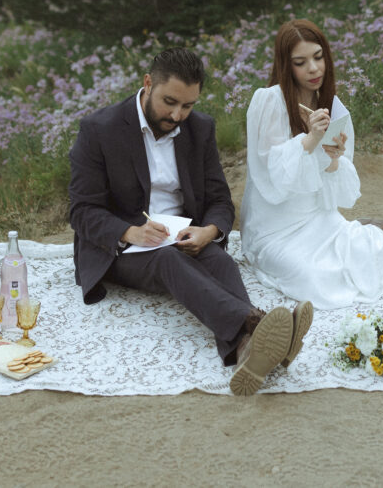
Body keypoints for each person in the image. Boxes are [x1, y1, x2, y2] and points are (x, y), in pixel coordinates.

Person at [68, 47, 313, 395]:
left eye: (188, 105)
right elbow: (81, 211)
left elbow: (219, 200)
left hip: (180, 236)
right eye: (170, 102)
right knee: (169, 260)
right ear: (148, 83)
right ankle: (256, 324)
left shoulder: (200, 129)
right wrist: (130, 231)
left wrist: (209, 230)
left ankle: (247, 349)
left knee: (220, 260)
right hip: (120, 248)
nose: (178, 114)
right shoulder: (99, 129)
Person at [240, 19, 383, 311]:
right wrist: (310, 139)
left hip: (316, 215)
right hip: (274, 226)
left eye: (318, 57)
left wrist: (333, 159)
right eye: (301, 62)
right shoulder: (269, 101)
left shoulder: (332, 105)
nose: (314, 68)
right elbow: (271, 177)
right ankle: (379, 242)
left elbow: (333, 191)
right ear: (285, 65)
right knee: (311, 276)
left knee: (344, 242)